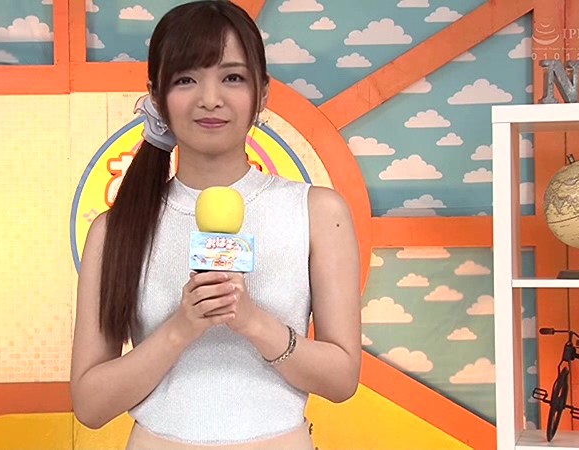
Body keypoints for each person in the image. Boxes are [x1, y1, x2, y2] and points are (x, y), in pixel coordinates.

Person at [70, 1, 361, 448]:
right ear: (156, 97)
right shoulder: (114, 231)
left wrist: (252, 322)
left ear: (263, 93)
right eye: (186, 79)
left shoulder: (318, 212)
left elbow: (341, 380)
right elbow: (90, 405)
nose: (210, 98)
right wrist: (181, 327)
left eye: (233, 78)